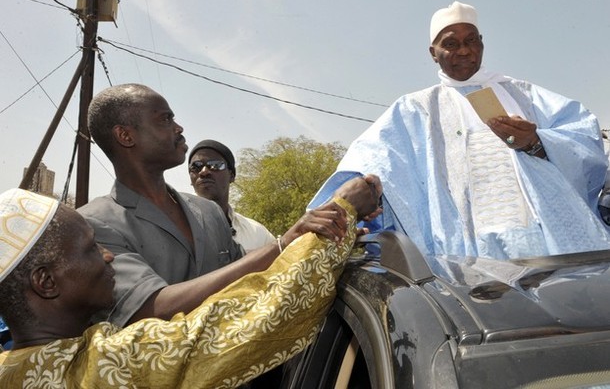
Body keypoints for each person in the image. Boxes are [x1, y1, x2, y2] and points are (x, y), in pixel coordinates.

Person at [0, 181, 381, 388]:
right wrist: (342, 209)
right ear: (46, 282)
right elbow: (269, 311)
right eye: (89, 248)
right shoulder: (113, 362)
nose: (107, 255)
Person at [310, 1, 610, 262]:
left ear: (482, 43)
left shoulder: (523, 95)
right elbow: (371, 164)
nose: (464, 51)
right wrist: (355, 192)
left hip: (544, 245)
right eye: (451, 43)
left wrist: (535, 142)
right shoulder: (416, 108)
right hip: (464, 254)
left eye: (472, 41)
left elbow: (584, 134)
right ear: (433, 52)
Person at [77, 83, 380, 328]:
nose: (179, 127)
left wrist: (332, 231)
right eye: (165, 119)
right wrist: (286, 241)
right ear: (125, 136)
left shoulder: (207, 212)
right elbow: (151, 308)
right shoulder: (93, 225)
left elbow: (257, 281)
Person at [188, 139, 275, 253]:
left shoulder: (258, 234)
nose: (204, 172)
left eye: (215, 165)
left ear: (232, 175)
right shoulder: (175, 227)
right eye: (196, 166)